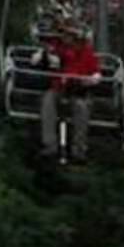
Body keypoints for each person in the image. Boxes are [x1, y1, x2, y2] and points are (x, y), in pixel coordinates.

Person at [41, 27, 100, 160]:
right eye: (65, 35)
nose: (67, 39)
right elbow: (43, 59)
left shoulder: (86, 53)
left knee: (81, 107)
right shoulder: (57, 50)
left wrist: (90, 80)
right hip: (58, 89)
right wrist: (43, 56)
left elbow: (96, 73)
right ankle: (50, 145)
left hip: (78, 91)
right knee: (48, 102)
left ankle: (79, 149)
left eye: (70, 36)